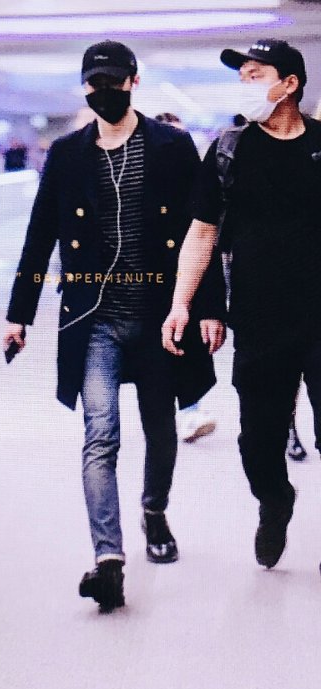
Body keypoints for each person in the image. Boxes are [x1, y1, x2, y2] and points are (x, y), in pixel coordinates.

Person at [4, 40, 226, 612]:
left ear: (133, 82)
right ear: (85, 87)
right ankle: (109, 559)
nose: (103, 92)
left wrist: (209, 307)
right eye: (93, 84)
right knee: (100, 435)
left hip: (157, 315)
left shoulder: (172, 147)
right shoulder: (67, 155)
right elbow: (40, 234)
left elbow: (202, 230)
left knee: (160, 428)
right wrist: (19, 314)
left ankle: (154, 510)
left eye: (113, 82)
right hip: (92, 319)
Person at [163, 39, 321, 571]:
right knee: (258, 442)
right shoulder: (229, 151)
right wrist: (182, 303)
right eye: (243, 77)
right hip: (259, 320)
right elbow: (202, 232)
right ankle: (275, 501)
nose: (246, 86)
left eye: (256, 75)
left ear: (289, 84)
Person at [156, 111, 217, 444]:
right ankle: (176, 412)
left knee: (184, 343)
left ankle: (189, 410)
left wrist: (210, 306)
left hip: (186, 275)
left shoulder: (197, 183)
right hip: (152, 279)